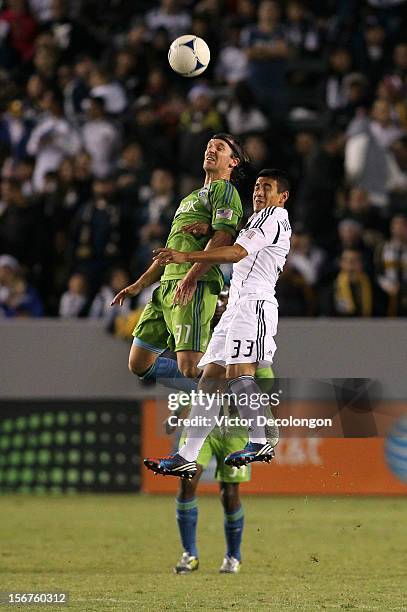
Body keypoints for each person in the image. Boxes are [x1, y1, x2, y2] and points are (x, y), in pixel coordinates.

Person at [145, 168, 291, 478]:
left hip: (254, 305)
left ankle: (260, 438)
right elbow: (241, 239)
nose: (259, 192)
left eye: (267, 187)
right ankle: (186, 455)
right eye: (256, 186)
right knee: (209, 380)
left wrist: (188, 257)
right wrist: (208, 228)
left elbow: (237, 252)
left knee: (240, 373)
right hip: (236, 307)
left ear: (282, 196)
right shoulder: (258, 220)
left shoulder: (273, 217)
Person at [111, 133, 246, 390]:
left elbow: (223, 237)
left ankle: (236, 394)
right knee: (139, 363)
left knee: (191, 366)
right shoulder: (189, 199)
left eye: (220, 148)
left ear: (233, 162)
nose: (211, 150)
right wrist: (138, 285)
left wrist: (191, 277)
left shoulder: (225, 191)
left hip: (194, 283)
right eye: (209, 146)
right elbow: (169, 250)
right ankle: (210, 393)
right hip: (167, 286)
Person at [169, 287, 276, 574]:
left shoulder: (250, 338)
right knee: (186, 480)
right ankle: (188, 554)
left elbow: (263, 387)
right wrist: (184, 408)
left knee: (229, 494)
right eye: (218, 300)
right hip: (203, 428)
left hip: (235, 431)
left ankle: (233, 555)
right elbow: (191, 379)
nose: (220, 305)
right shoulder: (203, 340)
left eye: (225, 300)